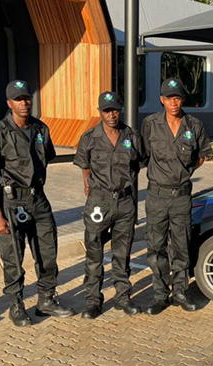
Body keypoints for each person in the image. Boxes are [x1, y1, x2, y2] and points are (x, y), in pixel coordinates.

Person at [0, 80, 73, 327]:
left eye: (27, 98)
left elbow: (46, 158)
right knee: (13, 257)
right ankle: (16, 304)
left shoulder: (41, 129)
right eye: (18, 99)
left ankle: (46, 300)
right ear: (9, 103)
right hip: (12, 202)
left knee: (47, 252)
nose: (24, 103)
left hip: (38, 199)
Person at [141, 78, 212, 315]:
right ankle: (160, 295)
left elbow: (201, 156)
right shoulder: (150, 124)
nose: (173, 102)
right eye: (169, 98)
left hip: (181, 196)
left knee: (181, 246)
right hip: (157, 196)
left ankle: (180, 292)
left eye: (177, 98)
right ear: (161, 100)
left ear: (183, 99)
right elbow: (144, 155)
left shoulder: (194, 125)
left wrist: (183, 171)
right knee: (156, 247)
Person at [73, 91, 145, 319]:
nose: (111, 115)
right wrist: (88, 186)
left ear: (120, 110)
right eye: (106, 111)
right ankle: (93, 300)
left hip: (125, 202)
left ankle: (123, 297)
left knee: (122, 252)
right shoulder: (89, 138)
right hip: (99, 202)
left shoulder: (131, 135)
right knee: (94, 253)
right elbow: (84, 166)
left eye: (114, 110)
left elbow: (138, 164)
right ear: (100, 112)